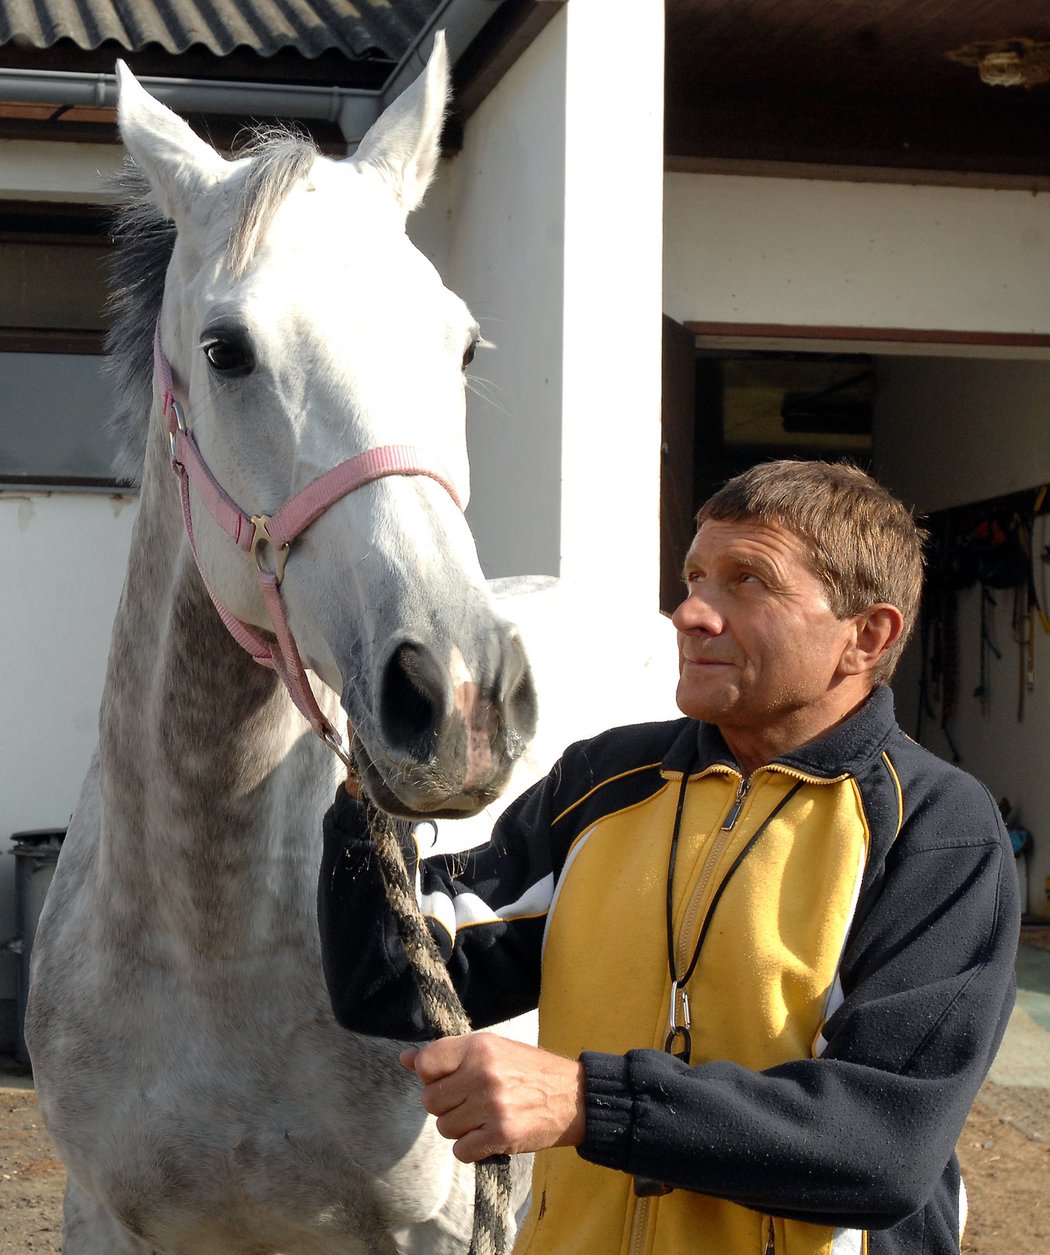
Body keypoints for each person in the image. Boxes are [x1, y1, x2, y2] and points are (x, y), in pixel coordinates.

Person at [318, 459, 1019, 1255]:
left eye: (747, 581)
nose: (690, 612)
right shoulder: (603, 781)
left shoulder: (935, 830)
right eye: (694, 576)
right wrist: (370, 792)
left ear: (868, 635)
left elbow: (879, 1147)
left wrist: (590, 1101)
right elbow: (402, 985)